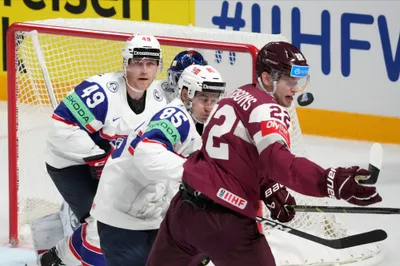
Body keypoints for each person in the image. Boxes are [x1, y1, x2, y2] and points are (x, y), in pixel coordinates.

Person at [145, 41, 383, 266]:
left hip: (182, 215)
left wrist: (267, 186)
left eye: (300, 81)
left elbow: (233, 156)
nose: (295, 89)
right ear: (268, 78)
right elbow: (281, 163)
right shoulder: (269, 109)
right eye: (289, 80)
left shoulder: (235, 97)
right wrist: (330, 181)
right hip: (225, 226)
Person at [37, 34, 167, 266]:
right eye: (138, 63)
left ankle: (60, 251)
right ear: (125, 63)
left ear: (159, 66)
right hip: (71, 164)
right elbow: (60, 126)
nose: (144, 70)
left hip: (113, 169)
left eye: (150, 63)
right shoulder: (100, 92)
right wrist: (97, 155)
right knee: (103, 222)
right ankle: (57, 259)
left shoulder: (160, 100)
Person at [90, 64, 226, 266]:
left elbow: (173, 177)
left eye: (213, 101)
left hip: (149, 217)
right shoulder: (175, 116)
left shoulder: (198, 126)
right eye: (203, 99)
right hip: (122, 218)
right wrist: (197, 175)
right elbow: (148, 154)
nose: (209, 107)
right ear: (187, 94)